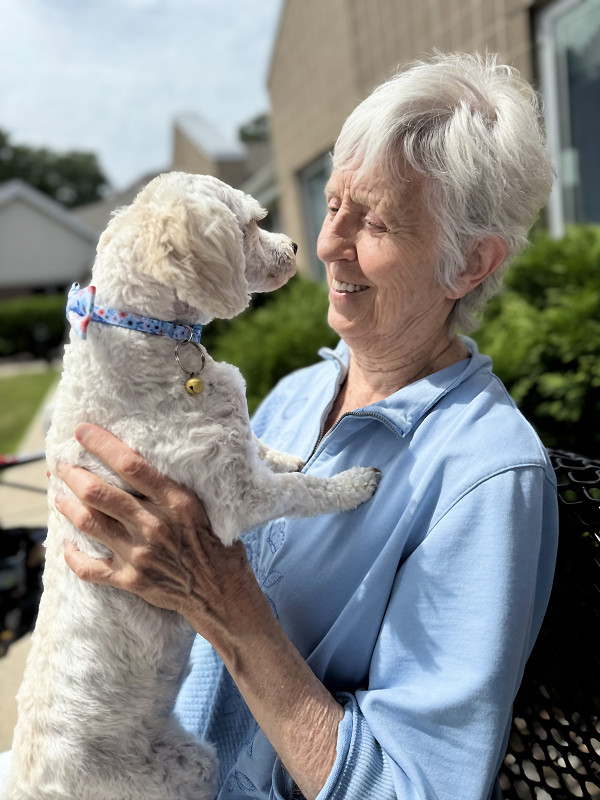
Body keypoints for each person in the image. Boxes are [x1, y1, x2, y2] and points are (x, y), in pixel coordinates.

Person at [51, 53, 558, 799]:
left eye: (375, 221)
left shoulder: (485, 478)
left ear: (470, 265)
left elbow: (412, 789)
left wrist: (219, 598)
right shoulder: (295, 394)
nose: (326, 246)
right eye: (332, 206)